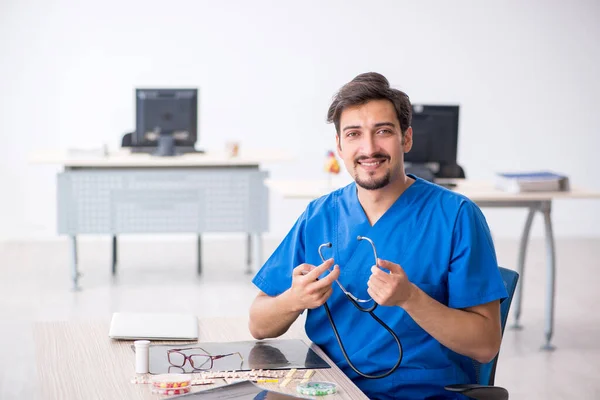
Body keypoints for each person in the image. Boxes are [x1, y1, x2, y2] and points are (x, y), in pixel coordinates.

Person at [248, 72, 508, 399]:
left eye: (383, 131)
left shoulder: (456, 216)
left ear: (406, 138)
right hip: (327, 389)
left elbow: (484, 345)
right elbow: (259, 323)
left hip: (419, 393)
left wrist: (411, 299)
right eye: (354, 134)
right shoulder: (320, 214)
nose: (369, 148)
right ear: (340, 146)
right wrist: (294, 299)